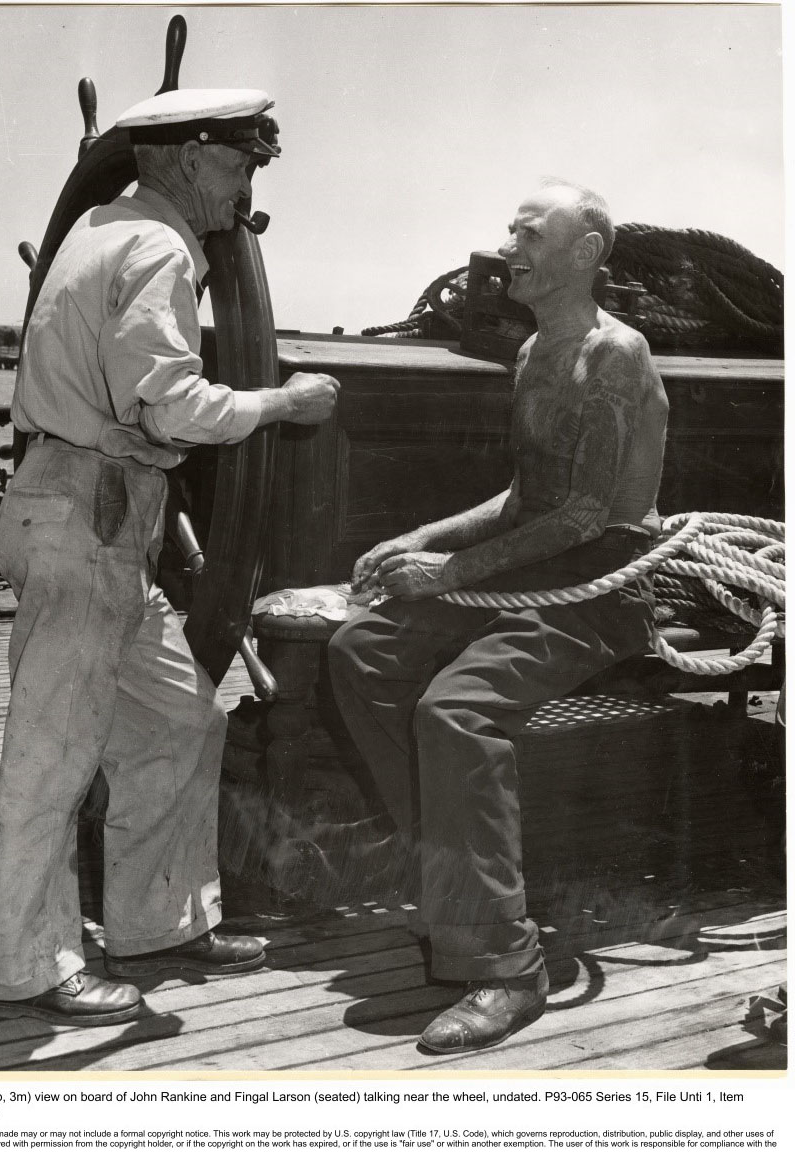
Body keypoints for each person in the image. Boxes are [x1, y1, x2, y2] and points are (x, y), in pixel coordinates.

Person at [0, 88, 339, 1026]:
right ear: (187, 155)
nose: (245, 189)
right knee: (53, 756)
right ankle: (26, 965)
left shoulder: (98, 229)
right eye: (240, 164)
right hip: (85, 521)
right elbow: (170, 407)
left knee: (182, 719)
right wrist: (281, 403)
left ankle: (160, 919)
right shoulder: (161, 248)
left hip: (96, 519)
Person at [328, 179, 669, 1055]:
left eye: (527, 234)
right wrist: (420, 537)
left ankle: (504, 967)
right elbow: (525, 497)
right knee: (362, 651)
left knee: (455, 710)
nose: (506, 247)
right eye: (510, 230)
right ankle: (459, 888)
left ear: (585, 254)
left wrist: (447, 572)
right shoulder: (533, 354)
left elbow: (585, 516)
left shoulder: (612, 354)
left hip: (599, 583)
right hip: (532, 562)